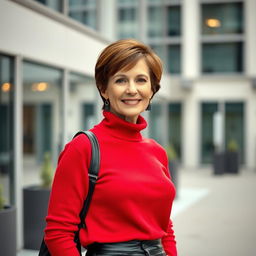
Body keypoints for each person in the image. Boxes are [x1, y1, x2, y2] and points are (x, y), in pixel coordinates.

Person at [44, 39, 177, 256]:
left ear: (152, 90)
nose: (132, 89)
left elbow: (165, 228)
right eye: (121, 80)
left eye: (141, 80)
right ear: (104, 89)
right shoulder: (83, 147)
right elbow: (58, 233)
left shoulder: (157, 152)